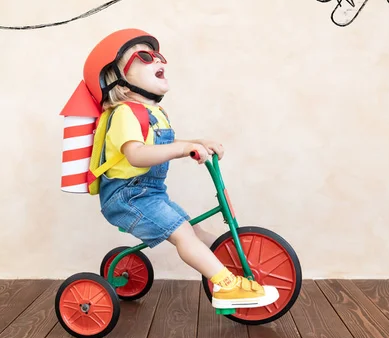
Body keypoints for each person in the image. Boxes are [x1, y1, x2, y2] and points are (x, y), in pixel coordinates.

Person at [82, 28, 279, 309]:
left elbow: (167, 143)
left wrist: (197, 142)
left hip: (149, 194)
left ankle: (234, 265)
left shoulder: (154, 114)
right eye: (145, 57)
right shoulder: (124, 113)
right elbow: (136, 155)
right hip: (127, 198)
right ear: (122, 84)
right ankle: (225, 286)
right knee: (184, 234)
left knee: (194, 230)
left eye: (159, 56)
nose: (160, 61)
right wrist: (184, 149)